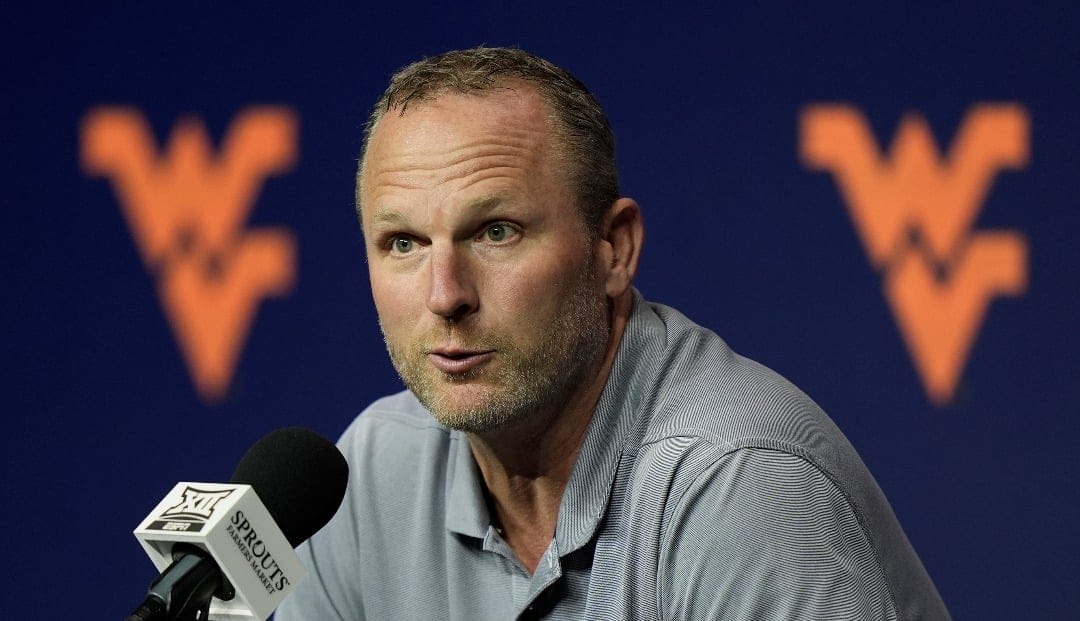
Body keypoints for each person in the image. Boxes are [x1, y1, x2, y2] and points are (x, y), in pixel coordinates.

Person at [276, 46, 950, 620]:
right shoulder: (369, 474)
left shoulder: (737, 486)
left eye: (496, 232)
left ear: (614, 249)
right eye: (402, 242)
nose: (445, 293)